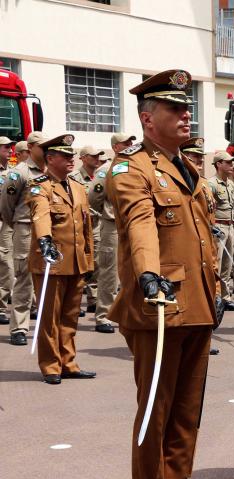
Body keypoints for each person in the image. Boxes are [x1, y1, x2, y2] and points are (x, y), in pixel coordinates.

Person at [107, 69, 224, 479]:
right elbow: (140, 226)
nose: (185, 114)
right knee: (154, 415)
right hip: (159, 306)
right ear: (147, 118)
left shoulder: (188, 168)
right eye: (174, 109)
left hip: (196, 304)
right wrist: (148, 274)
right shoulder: (128, 171)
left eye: (186, 107)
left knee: (186, 415)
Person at [27, 134, 95, 384]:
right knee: (50, 319)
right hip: (51, 264)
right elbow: (41, 216)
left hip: (76, 263)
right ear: (50, 158)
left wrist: (89, 260)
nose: (71, 159)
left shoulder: (77, 187)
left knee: (70, 317)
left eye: (71, 155)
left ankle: (69, 362)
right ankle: (51, 365)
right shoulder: (40, 187)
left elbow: (85, 228)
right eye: (65, 156)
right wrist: (44, 240)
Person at [0, 131, 47, 346]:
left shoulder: (52, 170)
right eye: (42, 146)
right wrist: (17, 223)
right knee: (24, 277)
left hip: (50, 231)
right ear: (30, 148)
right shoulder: (19, 173)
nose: (46, 150)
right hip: (26, 229)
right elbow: (6, 206)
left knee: (50, 277)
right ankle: (19, 326)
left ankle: (47, 324)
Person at [86, 133, 136, 334]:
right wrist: (105, 214)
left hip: (132, 225)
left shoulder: (133, 167)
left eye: (131, 143)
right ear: (115, 147)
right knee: (109, 272)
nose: (130, 146)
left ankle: (128, 313)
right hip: (113, 226)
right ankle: (104, 316)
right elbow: (94, 197)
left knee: (132, 271)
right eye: (126, 143)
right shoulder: (104, 170)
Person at [208, 151, 234, 311]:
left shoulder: (231, 184)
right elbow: (208, 208)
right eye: (228, 163)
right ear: (218, 164)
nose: (231, 166)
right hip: (219, 227)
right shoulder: (212, 184)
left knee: (228, 266)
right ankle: (214, 297)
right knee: (218, 263)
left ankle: (225, 297)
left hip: (231, 226)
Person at [71, 145, 105, 314]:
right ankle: (76, 301)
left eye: (98, 155)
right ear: (83, 158)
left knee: (96, 262)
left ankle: (93, 299)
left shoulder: (101, 176)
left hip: (97, 225)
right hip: (79, 225)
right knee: (79, 263)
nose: (97, 158)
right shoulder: (74, 177)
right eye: (93, 156)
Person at [0, 136, 15, 326]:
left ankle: (1, 307)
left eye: (11, 147)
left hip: (6, 223)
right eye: (6, 147)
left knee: (6, 264)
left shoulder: (12, 173)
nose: (10, 150)